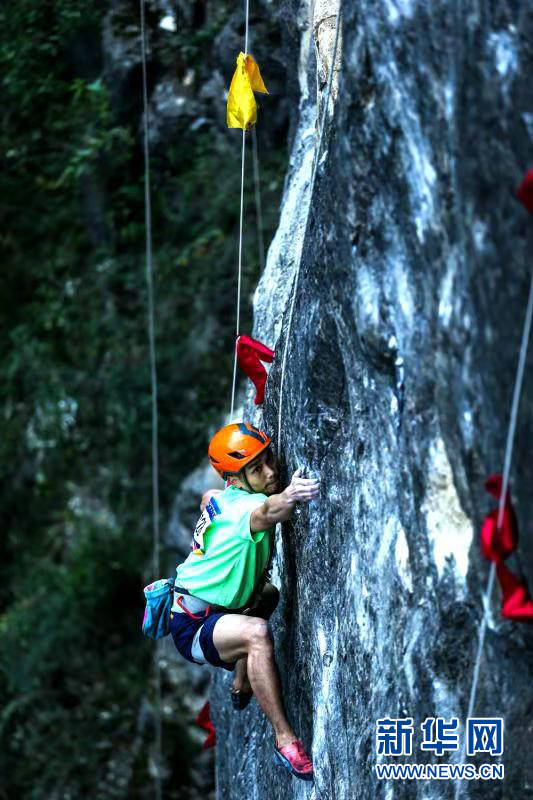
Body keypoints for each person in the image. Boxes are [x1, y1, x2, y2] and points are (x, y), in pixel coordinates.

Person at [169, 422, 320, 781]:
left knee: (268, 595)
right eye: (256, 469)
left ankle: (242, 679)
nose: (270, 471)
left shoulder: (222, 499)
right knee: (256, 633)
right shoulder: (244, 509)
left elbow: (209, 496)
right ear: (237, 480)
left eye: (268, 458)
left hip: (216, 607)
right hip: (193, 623)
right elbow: (269, 512)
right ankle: (285, 739)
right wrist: (293, 494)